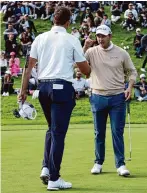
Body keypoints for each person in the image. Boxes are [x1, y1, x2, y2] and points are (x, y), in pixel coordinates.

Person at [18, 6, 90, 190]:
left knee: (52, 129)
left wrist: (23, 91)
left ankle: (45, 168)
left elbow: (28, 66)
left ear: (52, 20)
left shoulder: (40, 38)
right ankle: (54, 178)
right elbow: (85, 70)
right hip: (61, 88)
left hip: (43, 88)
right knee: (58, 133)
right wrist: (87, 65)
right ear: (68, 22)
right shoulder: (71, 39)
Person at [84, 25, 137, 176]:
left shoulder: (121, 53)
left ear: (110, 36)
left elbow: (132, 71)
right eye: (98, 36)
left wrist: (130, 87)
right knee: (98, 132)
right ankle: (98, 162)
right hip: (97, 96)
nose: (100, 39)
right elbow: (78, 64)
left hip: (117, 97)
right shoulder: (91, 52)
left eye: (103, 36)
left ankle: (120, 165)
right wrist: (85, 46)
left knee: (117, 132)